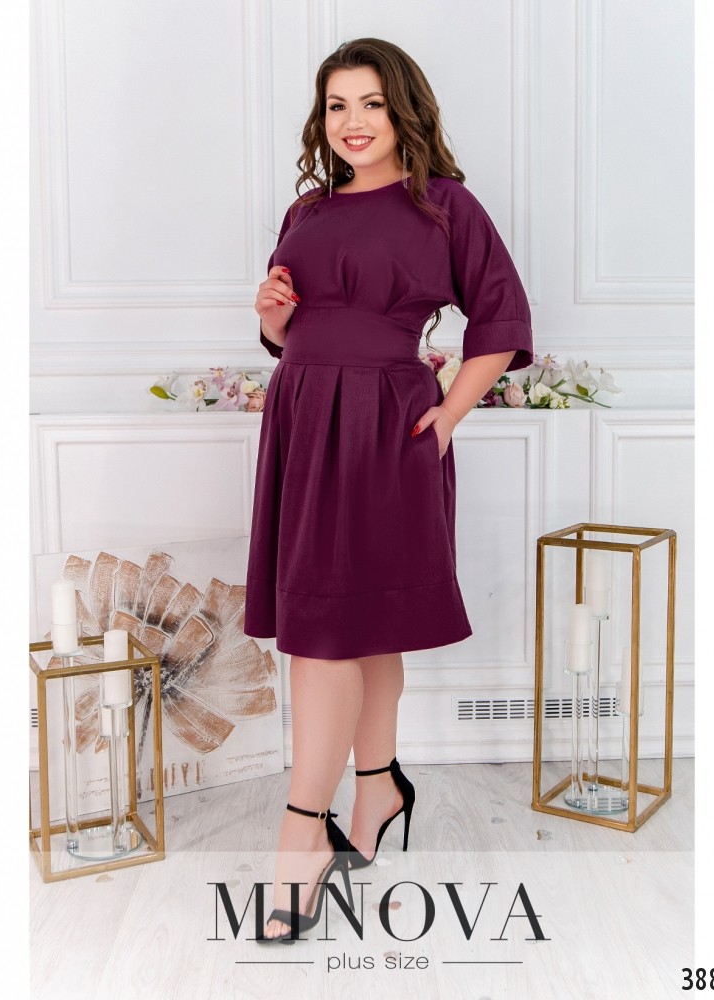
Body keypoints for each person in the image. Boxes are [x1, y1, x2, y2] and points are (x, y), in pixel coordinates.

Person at [243, 37, 533, 943]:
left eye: (370, 103)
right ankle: (377, 789)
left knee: (335, 628)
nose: (353, 122)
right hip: (303, 419)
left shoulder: (445, 206)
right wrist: (274, 322)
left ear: (404, 109)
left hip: (386, 427)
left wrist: (447, 418)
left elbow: (502, 317)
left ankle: (301, 834)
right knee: (345, 624)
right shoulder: (306, 210)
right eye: (337, 106)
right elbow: (295, 333)